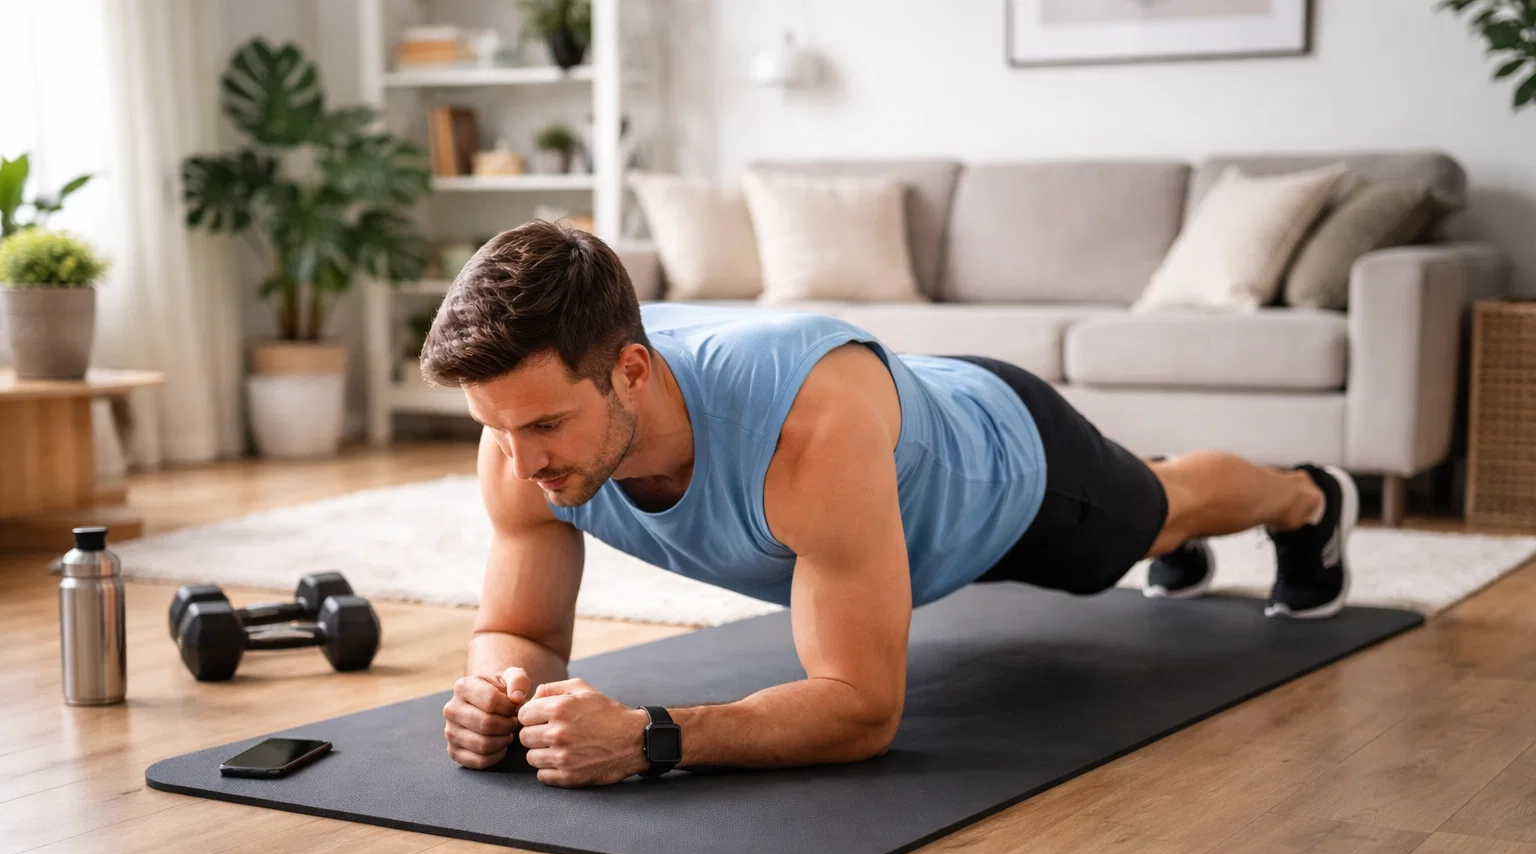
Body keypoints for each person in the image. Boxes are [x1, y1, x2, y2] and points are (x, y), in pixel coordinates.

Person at [423, 220, 1358, 788]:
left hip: (1011, 466)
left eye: (545, 425)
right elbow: (517, 631)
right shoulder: (518, 436)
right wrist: (498, 693)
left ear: (631, 371)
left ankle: (1306, 498)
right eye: (496, 427)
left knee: (1160, 510)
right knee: (1157, 508)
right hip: (896, 446)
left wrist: (648, 739)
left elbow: (862, 710)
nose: (520, 461)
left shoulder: (805, 428)